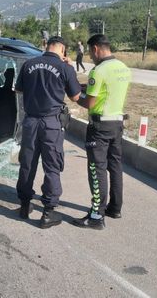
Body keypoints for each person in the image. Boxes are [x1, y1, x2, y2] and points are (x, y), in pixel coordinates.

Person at [15, 36, 81, 229]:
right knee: (52, 166)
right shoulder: (65, 68)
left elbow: (19, 91)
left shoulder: (29, 64)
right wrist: (68, 69)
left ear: (47, 46)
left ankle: (24, 206)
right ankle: (48, 213)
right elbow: (75, 96)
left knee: (27, 164)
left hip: (31, 121)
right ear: (63, 50)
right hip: (51, 124)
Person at [73, 34, 131, 230]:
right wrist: (86, 88)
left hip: (99, 127)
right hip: (117, 124)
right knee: (115, 166)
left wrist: (75, 97)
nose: (91, 56)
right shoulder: (123, 68)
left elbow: (90, 102)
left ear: (96, 48)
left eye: (90, 52)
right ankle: (115, 208)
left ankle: (97, 216)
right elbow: (108, 91)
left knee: (97, 170)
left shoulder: (98, 71)